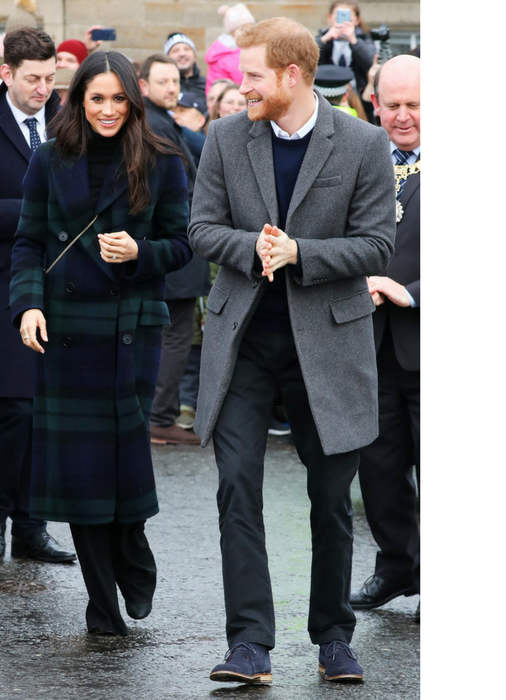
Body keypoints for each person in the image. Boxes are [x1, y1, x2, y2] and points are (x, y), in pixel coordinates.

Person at [188, 16, 396, 685]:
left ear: (291, 75)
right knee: (236, 489)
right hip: (244, 343)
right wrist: (252, 246)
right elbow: (201, 228)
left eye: (250, 76)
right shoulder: (225, 137)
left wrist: (301, 252)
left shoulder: (363, 143)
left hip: (330, 348)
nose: (237, 86)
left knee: (331, 501)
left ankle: (334, 637)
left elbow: (376, 246)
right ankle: (249, 644)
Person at [9, 50, 192, 635]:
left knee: (123, 457)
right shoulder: (48, 158)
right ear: (77, 98)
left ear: (133, 100)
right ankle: (101, 605)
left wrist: (142, 253)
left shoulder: (162, 159)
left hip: (130, 326)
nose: (108, 110)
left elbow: (183, 245)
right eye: (97, 98)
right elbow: (28, 241)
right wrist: (29, 302)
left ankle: (132, 541)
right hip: (64, 327)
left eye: (119, 99)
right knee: (82, 470)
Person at [0, 27, 76, 565]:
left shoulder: (69, 123)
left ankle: (31, 525)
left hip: (60, 284)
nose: (44, 89)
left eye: (51, 78)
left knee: (46, 410)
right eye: (33, 79)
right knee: (16, 409)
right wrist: (32, 216)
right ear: (7, 74)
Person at [350, 54, 421, 620]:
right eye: (391, 105)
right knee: (378, 469)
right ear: (375, 104)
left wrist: (412, 291)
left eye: (414, 106)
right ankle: (397, 566)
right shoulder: (357, 157)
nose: (401, 117)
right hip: (367, 346)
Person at [139, 54, 210, 446]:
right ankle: (160, 417)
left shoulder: (162, 121)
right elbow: (175, 192)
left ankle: (156, 414)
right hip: (174, 246)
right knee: (176, 334)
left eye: (175, 81)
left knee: (170, 333)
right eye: (163, 82)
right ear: (145, 86)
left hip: (169, 245)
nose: (172, 88)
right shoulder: (155, 125)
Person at [315, 2, 375, 105]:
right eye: (338, 19)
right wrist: (324, 40)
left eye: (349, 20)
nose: (343, 24)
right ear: (329, 18)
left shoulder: (364, 39)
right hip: (327, 96)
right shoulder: (322, 37)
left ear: (357, 20)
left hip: (358, 98)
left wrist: (354, 41)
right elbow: (306, 60)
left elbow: (371, 63)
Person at [205, 3, 256, 93]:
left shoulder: (255, 50)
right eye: (242, 29)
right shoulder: (224, 55)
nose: (248, 32)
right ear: (232, 33)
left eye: (251, 28)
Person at [164, 32, 207, 103]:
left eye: (186, 49)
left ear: (194, 56)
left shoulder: (207, 85)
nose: (182, 54)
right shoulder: (163, 87)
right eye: (175, 51)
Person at [172, 91, 207, 165]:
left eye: (182, 111)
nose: (174, 116)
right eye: (173, 112)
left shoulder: (209, 145)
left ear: (200, 120)